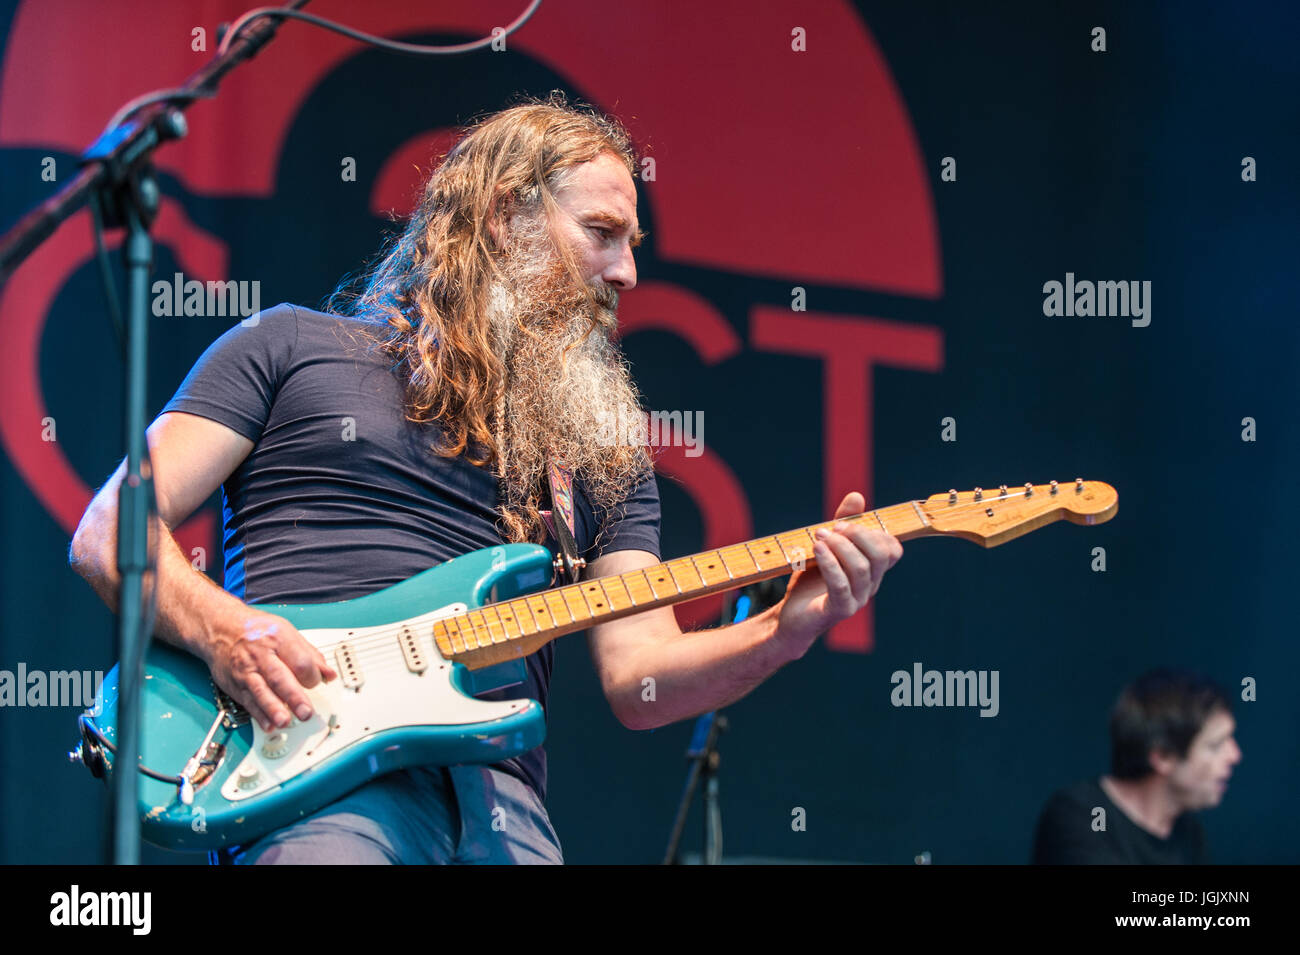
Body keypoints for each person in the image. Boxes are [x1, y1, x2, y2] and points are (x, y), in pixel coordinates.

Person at [68, 93, 904, 864]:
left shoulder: (603, 457)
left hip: (504, 809)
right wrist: (225, 630)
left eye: (632, 247)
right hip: (312, 768)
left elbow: (638, 678)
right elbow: (112, 532)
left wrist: (788, 631)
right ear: (508, 215)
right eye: (603, 233)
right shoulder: (289, 348)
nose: (627, 275)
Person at [1031, 668, 1241, 864]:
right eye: (1215, 746)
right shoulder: (1078, 814)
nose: (1235, 756)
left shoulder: (1190, 834)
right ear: (1163, 757)